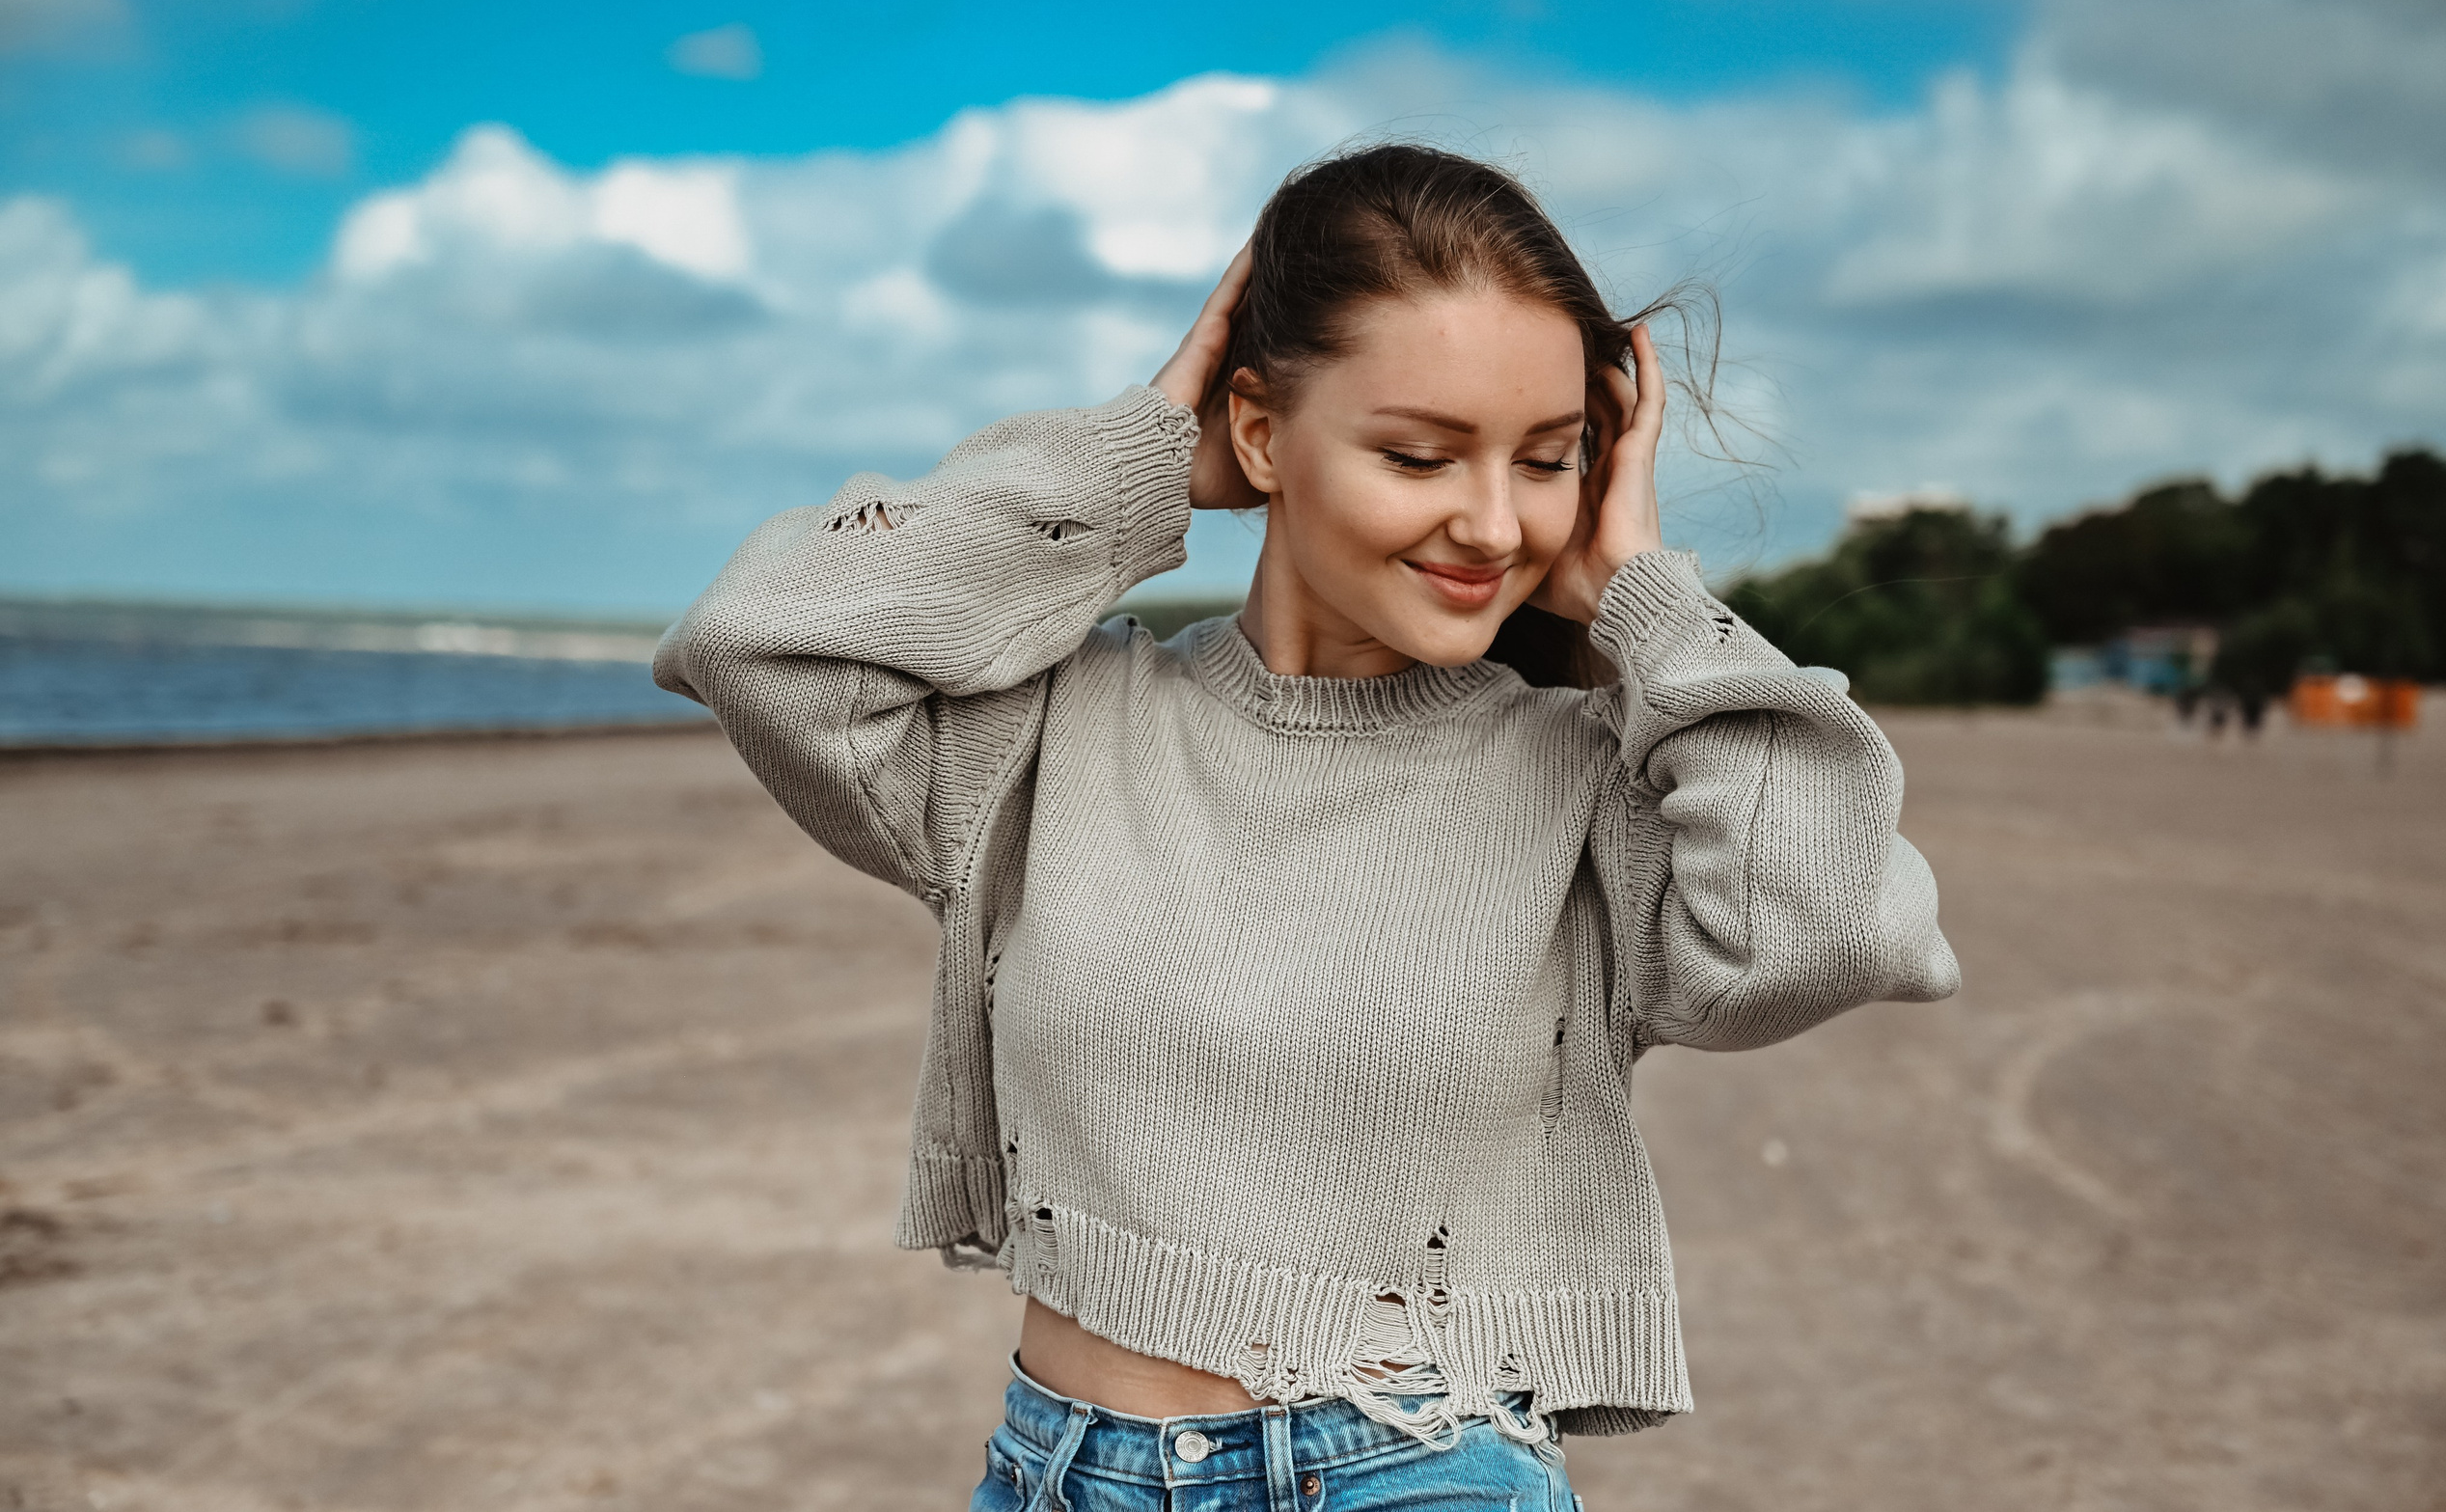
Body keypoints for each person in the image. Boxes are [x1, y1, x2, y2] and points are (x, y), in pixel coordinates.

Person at [654, 144, 1960, 1511]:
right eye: (1420, 453)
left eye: (1547, 459)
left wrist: (1642, 593)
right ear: (1262, 432)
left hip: (1424, 1473)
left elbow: (1837, 921)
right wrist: (1140, 463)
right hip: (1061, 1471)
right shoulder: (1053, 732)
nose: (1494, 522)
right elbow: (765, 639)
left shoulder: (1583, 777)